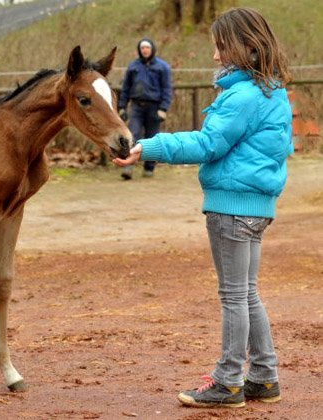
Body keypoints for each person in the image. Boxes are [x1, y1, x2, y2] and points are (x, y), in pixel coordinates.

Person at [113, 7, 292, 408]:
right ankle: (264, 376)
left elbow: (207, 144)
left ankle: (228, 381)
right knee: (247, 294)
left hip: (231, 208)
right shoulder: (272, 91)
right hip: (258, 208)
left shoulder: (242, 96)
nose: (215, 56)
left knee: (234, 296)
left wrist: (149, 147)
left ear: (245, 46)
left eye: (220, 47)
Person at [118, 37, 172, 180]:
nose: (145, 50)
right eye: (142, 48)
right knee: (132, 135)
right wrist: (122, 106)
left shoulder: (162, 67)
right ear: (139, 50)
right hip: (136, 106)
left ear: (152, 49)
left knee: (152, 137)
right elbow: (125, 88)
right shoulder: (133, 66)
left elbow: (167, 89)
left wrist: (163, 108)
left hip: (154, 107)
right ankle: (128, 166)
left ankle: (149, 167)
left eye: (147, 47)